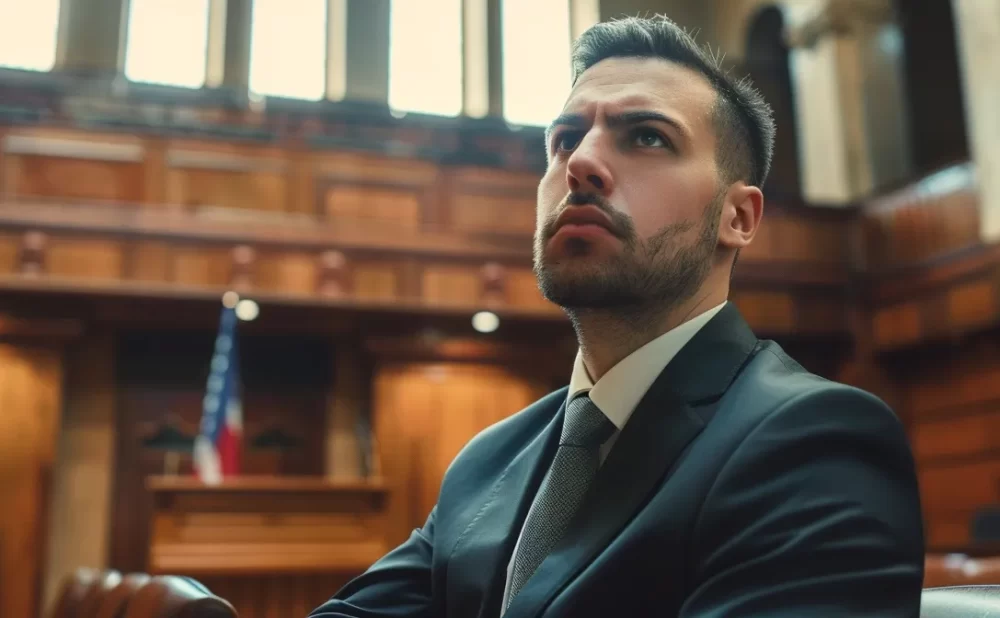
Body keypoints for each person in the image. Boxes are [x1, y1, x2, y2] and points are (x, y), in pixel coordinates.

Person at [310, 14, 924, 618]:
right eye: (563, 140)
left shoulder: (813, 442)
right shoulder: (489, 459)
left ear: (737, 217)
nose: (580, 163)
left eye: (647, 136)